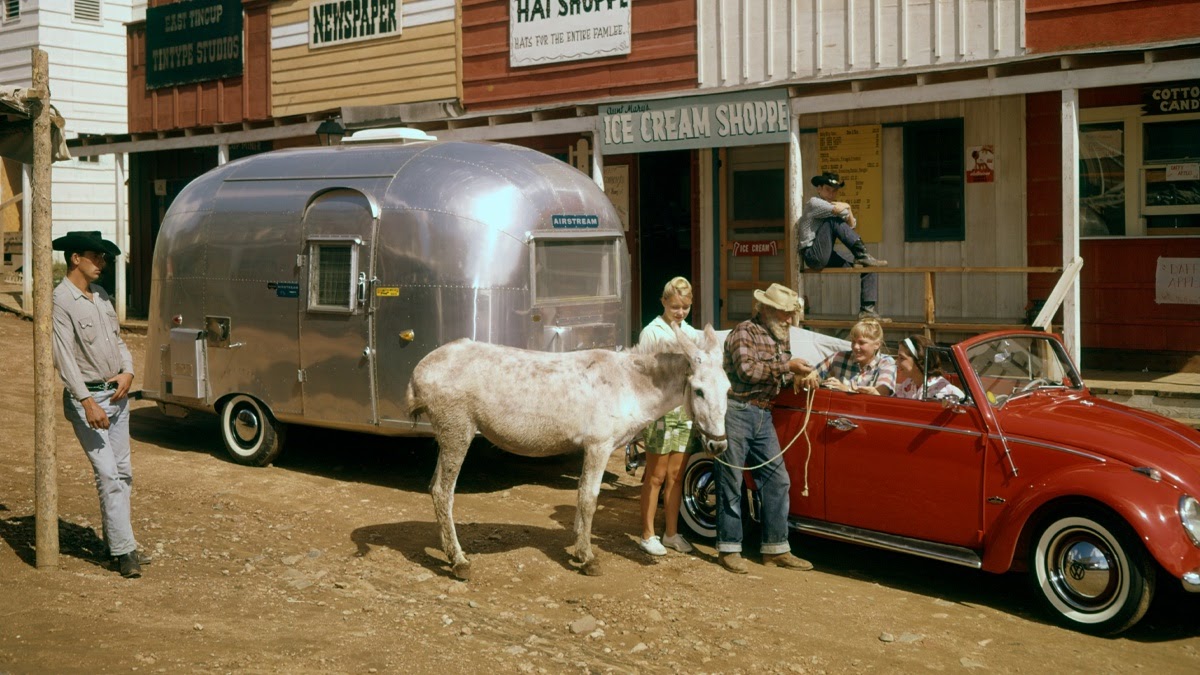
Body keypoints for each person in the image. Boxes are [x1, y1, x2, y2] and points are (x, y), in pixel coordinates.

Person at [51, 231, 151, 579]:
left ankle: (118, 542)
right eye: (97, 256)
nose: (103, 263)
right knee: (107, 473)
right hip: (89, 401)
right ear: (76, 258)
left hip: (117, 395)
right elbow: (63, 358)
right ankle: (125, 552)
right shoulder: (60, 301)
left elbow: (118, 340)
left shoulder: (102, 296)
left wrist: (128, 372)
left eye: (105, 258)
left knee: (123, 473)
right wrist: (86, 400)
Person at [718, 283, 814, 574]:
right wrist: (789, 369)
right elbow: (748, 370)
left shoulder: (778, 336)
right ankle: (729, 549)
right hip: (736, 410)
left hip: (762, 412)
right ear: (768, 310)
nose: (789, 319)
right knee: (731, 480)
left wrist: (799, 378)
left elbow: (774, 375)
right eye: (785, 314)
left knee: (777, 480)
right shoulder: (743, 331)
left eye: (790, 314)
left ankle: (775, 548)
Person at [635, 277, 701, 556]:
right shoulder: (652, 332)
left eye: (685, 307)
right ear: (663, 302)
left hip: (683, 412)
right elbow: (641, 373)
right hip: (659, 411)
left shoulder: (692, 333)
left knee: (676, 475)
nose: (680, 312)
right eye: (675, 306)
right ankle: (647, 534)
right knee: (656, 475)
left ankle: (671, 533)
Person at [796, 171, 887, 320]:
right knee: (833, 221)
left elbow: (850, 225)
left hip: (826, 254)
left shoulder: (832, 206)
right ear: (819, 189)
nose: (831, 194)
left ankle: (867, 310)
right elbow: (840, 212)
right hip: (813, 255)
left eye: (834, 191)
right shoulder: (814, 203)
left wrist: (848, 209)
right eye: (827, 189)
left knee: (870, 266)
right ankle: (862, 254)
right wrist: (847, 206)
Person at [800, 318, 896, 396]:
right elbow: (813, 375)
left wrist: (845, 390)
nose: (855, 347)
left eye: (861, 343)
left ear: (877, 345)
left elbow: (881, 395)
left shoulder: (886, 363)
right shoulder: (839, 357)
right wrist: (810, 377)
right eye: (853, 342)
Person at [894, 334, 965, 402]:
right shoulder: (908, 384)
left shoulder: (942, 392)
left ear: (920, 361)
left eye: (901, 358)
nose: (896, 362)